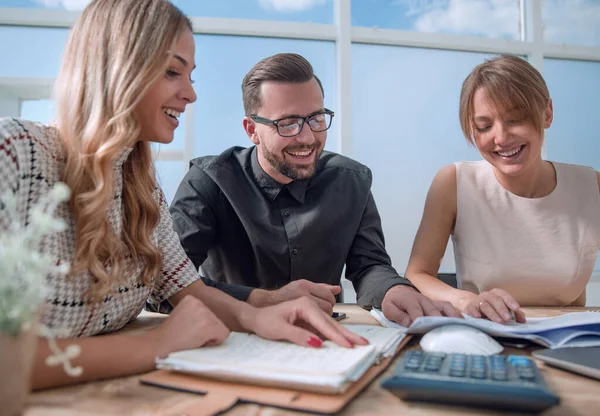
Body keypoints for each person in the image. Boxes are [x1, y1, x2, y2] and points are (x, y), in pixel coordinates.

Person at [0, 0, 368, 391]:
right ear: (117, 69)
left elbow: (185, 287)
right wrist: (156, 344)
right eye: (173, 71)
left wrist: (258, 317)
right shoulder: (15, 152)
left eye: (190, 75)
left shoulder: (139, 183)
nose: (191, 94)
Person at [165, 52, 460, 325]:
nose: (307, 138)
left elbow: (369, 266)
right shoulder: (208, 181)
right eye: (288, 123)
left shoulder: (351, 181)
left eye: (317, 119)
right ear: (252, 130)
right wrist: (265, 301)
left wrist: (394, 291)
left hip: (325, 339)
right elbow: (164, 286)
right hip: (231, 335)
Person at [405, 54, 600, 324]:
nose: (500, 137)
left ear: (547, 113)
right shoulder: (454, 182)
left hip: (567, 338)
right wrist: (466, 300)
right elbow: (417, 274)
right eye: (484, 126)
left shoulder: (591, 187)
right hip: (485, 330)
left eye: (515, 119)